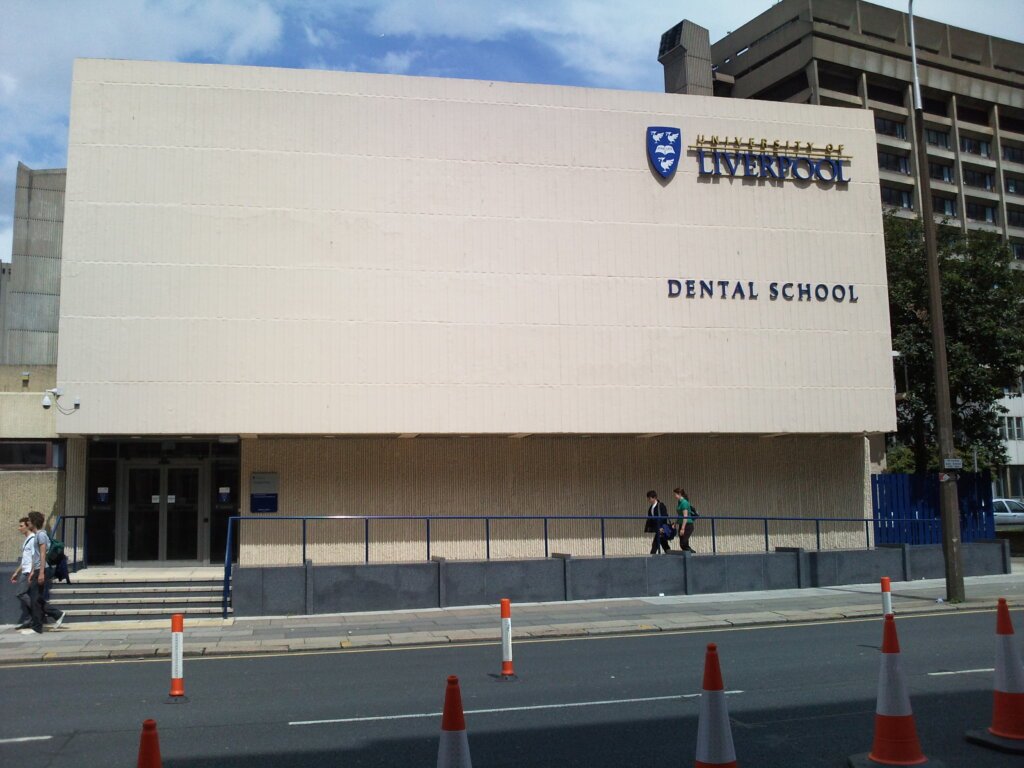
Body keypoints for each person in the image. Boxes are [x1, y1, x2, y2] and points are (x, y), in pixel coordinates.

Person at [27, 511, 66, 629]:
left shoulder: (41, 535)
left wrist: (41, 573)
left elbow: (43, 554)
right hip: (38, 569)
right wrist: (33, 571)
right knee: (36, 598)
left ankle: (38, 626)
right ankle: (56, 614)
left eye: (29, 520)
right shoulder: (37, 535)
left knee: (35, 599)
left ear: (33, 522)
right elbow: (36, 555)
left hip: (43, 569)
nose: (27, 522)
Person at [10, 517, 43, 634]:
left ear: (27, 526)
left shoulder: (33, 539)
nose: (19, 528)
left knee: (21, 593)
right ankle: (32, 618)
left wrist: (33, 571)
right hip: (25, 570)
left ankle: (38, 613)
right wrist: (16, 572)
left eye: (21, 526)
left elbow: (35, 557)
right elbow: (25, 559)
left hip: (29, 571)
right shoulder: (27, 540)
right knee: (25, 594)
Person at [674, 487, 696, 553]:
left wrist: (683, 528)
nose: (674, 496)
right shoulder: (679, 502)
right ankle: (688, 556)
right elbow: (680, 515)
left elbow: (685, 516)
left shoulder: (684, 503)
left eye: (675, 494)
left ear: (680, 494)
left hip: (687, 525)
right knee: (683, 544)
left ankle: (692, 554)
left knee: (683, 543)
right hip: (682, 524)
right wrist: (675, 523)